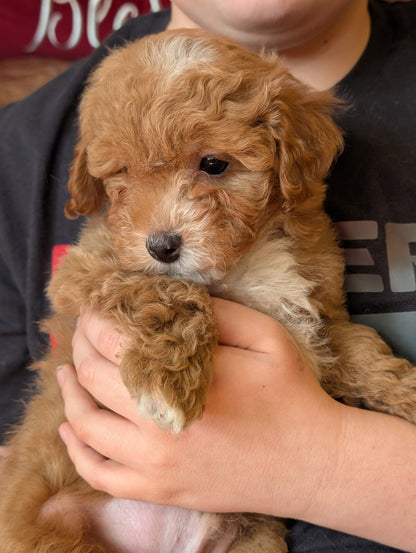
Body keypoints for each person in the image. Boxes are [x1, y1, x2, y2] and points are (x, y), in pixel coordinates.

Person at [0, 0, 415, 551]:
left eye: (214, 166)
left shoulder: (303, 234)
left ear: (286, 152)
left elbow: (328, 337)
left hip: (240, 527)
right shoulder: (24, 146)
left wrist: (329, 461)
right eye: (122, 175)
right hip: (75, 509)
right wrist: (177, 325)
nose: (162, 228)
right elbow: (82, 285)